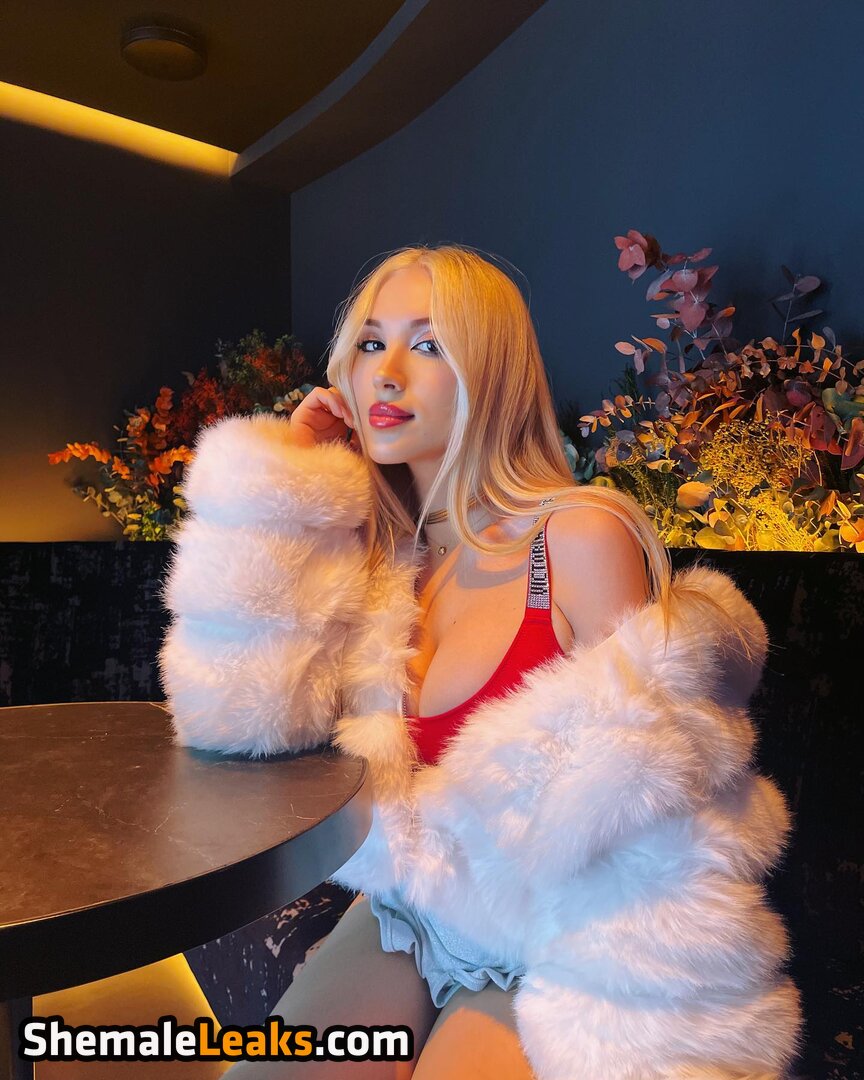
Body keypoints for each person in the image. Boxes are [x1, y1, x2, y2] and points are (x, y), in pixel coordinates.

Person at [159, 245, 804, 1079]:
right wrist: (287, 496)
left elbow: (663, 828)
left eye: (429, 345)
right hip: (411, 909)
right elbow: (242, 728)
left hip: (550, 939)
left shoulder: (577, 538)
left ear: (491, 374)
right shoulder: (380, 557)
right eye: (370, 343)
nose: (387, 373)